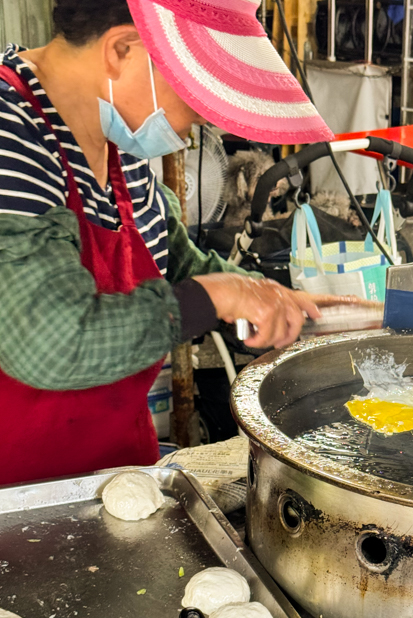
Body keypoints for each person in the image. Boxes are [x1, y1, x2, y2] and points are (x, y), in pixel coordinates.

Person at [0, 0, 366, 485]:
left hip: (117, 472)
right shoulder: (11, 136)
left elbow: (175, 263)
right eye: (193, 101)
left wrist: (270, 298)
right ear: (122, 49)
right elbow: (47, 344)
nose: (195, 125)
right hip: (17, 493)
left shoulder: (119, 141)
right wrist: (212, 298)